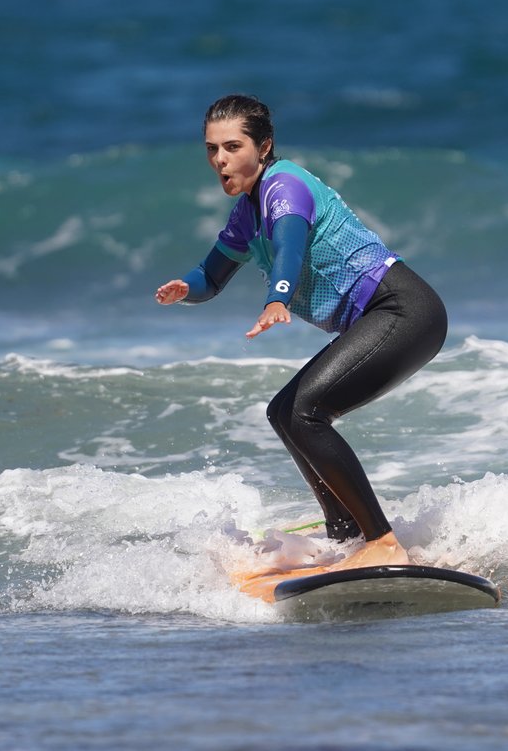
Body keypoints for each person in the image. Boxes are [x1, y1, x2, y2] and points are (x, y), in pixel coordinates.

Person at [155, 95, 447, 570]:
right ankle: (346, 531)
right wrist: (183, 288)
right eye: (212, 149)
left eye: (232, 146)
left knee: (307, 411)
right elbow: (210, 278)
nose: (220, 160)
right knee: (284, 412)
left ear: (264, 145)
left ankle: (382, 541)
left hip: (404, 310)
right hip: (384, 316)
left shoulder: (284, 188)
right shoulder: (246, 213)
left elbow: (289, 248)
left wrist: (277, 299)